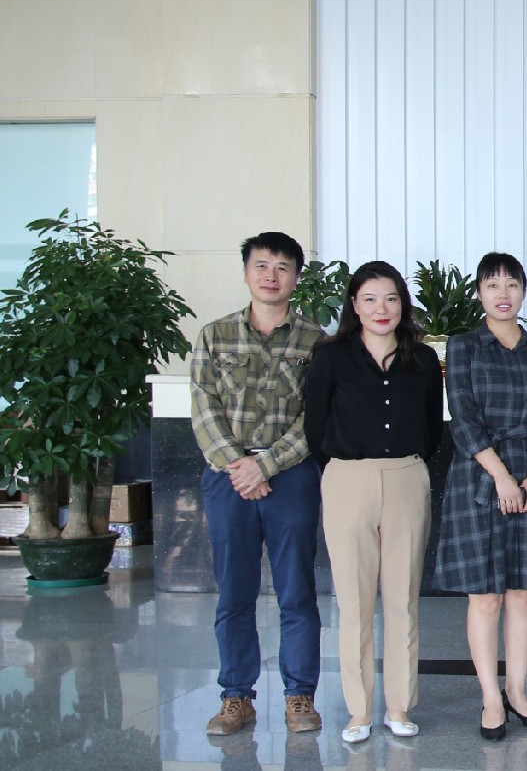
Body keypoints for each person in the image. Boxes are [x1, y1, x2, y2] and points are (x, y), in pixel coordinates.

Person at [190, 232, 329, 737]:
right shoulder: (214, 335)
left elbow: (317, 417)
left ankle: (299, 695)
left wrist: (265, 466)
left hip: (290, 477)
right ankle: (235, 697)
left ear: (296, 277)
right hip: (228, 479)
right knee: (234, 592)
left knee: (297, 591)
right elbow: (204, 407)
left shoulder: (316, 341)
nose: (272, 276)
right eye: (262, 265)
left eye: (283, 267)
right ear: (246, 271)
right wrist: (238, 465)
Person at [303, 260, 444, 744]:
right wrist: (346, 467)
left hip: (406, 476)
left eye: (390, 298)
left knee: (403, 600)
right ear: (354, 305)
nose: (381, 308)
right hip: (347, 479)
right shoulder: (330, 357)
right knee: (355, 603)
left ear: (402, 304)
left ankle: (399, 705)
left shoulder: (422, 359)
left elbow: (431, 426)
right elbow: (315, 427)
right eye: (369, 299)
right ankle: (358, 710)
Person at [431, 253, 527, 740]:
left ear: (523, 292)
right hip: (480, 477)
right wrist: (502, 477)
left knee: (523, 595)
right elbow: (463, 417)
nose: (503, 294)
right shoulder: (464, 345)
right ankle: (491, 696)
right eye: (492, 285)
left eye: (512, 284)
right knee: (485, 597)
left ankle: (518, 691)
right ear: (480, 293)